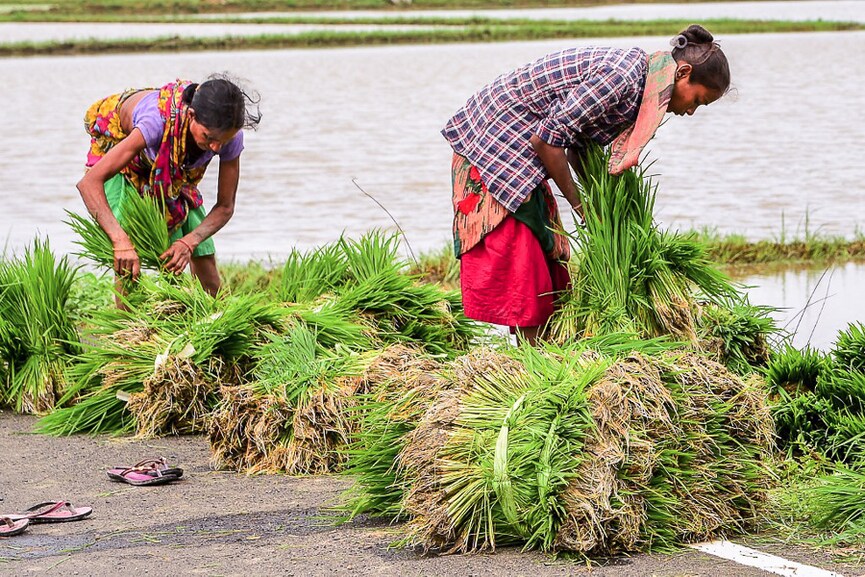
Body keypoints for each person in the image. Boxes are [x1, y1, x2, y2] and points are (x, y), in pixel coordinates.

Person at [442, 24, 730, 344]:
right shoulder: (623, 77)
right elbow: (548, 140)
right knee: (523, 257)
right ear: (683, 73)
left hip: (524, 150)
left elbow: (579, 146)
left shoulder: (642, 86)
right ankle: (532, 361)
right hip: (496, 142)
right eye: (698, 101)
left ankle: (541, 353)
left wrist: (602, 200)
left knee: (547, 259)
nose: (690, 111)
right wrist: (583, 209)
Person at [77, 74, 261, 297]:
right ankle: (127, 326)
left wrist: (189, 242)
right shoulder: (155, 123)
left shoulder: (227, 139)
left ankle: (215, 317)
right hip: (124, 160)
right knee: (127, 257)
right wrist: (120, 240)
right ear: (191, 116)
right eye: (209, 137)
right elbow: (89, 183)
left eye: (222, 141)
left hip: (172, 168)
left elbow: (225, 207)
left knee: (203, 252)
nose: (215, 147)